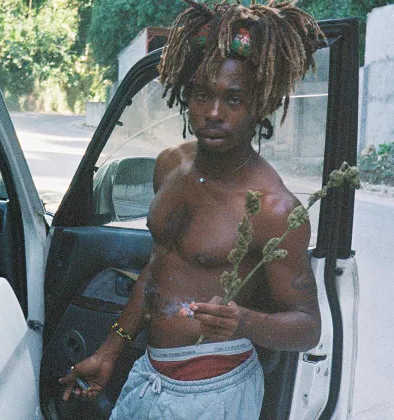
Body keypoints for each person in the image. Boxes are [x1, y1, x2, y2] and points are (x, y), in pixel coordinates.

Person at [60, 1, 324, 418]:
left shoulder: (274, 209)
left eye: (233, 99)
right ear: (187, 96)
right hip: (147, 376)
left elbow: (308, 328)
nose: (214, 112)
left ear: (260, 105)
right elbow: (159, 265)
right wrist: (110, 352)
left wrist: (245, 321)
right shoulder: (170, 166)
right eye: (203, 94)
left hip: (214, 393)